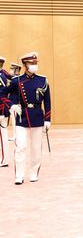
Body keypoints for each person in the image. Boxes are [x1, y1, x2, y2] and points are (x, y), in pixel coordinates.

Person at [0, 52, 51, 185]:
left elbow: (47, 100)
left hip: (37, 117)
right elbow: (2, 93)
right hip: (22, 117)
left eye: (35, 63)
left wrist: (47, 119)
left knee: (35, 147)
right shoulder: (17, 80)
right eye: (31, 63)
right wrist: (11, 105)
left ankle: (34, 172)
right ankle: (19, 175)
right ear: (25, 65)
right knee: (20, 147)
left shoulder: (42, 80)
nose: (34, 65)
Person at [0, 56, 11, 167]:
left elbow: (1, 95)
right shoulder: (5, 74)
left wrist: (1, 112)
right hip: (3, 110)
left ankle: (4, 159)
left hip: (1, 110)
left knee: (2, 136)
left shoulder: (1, 76)